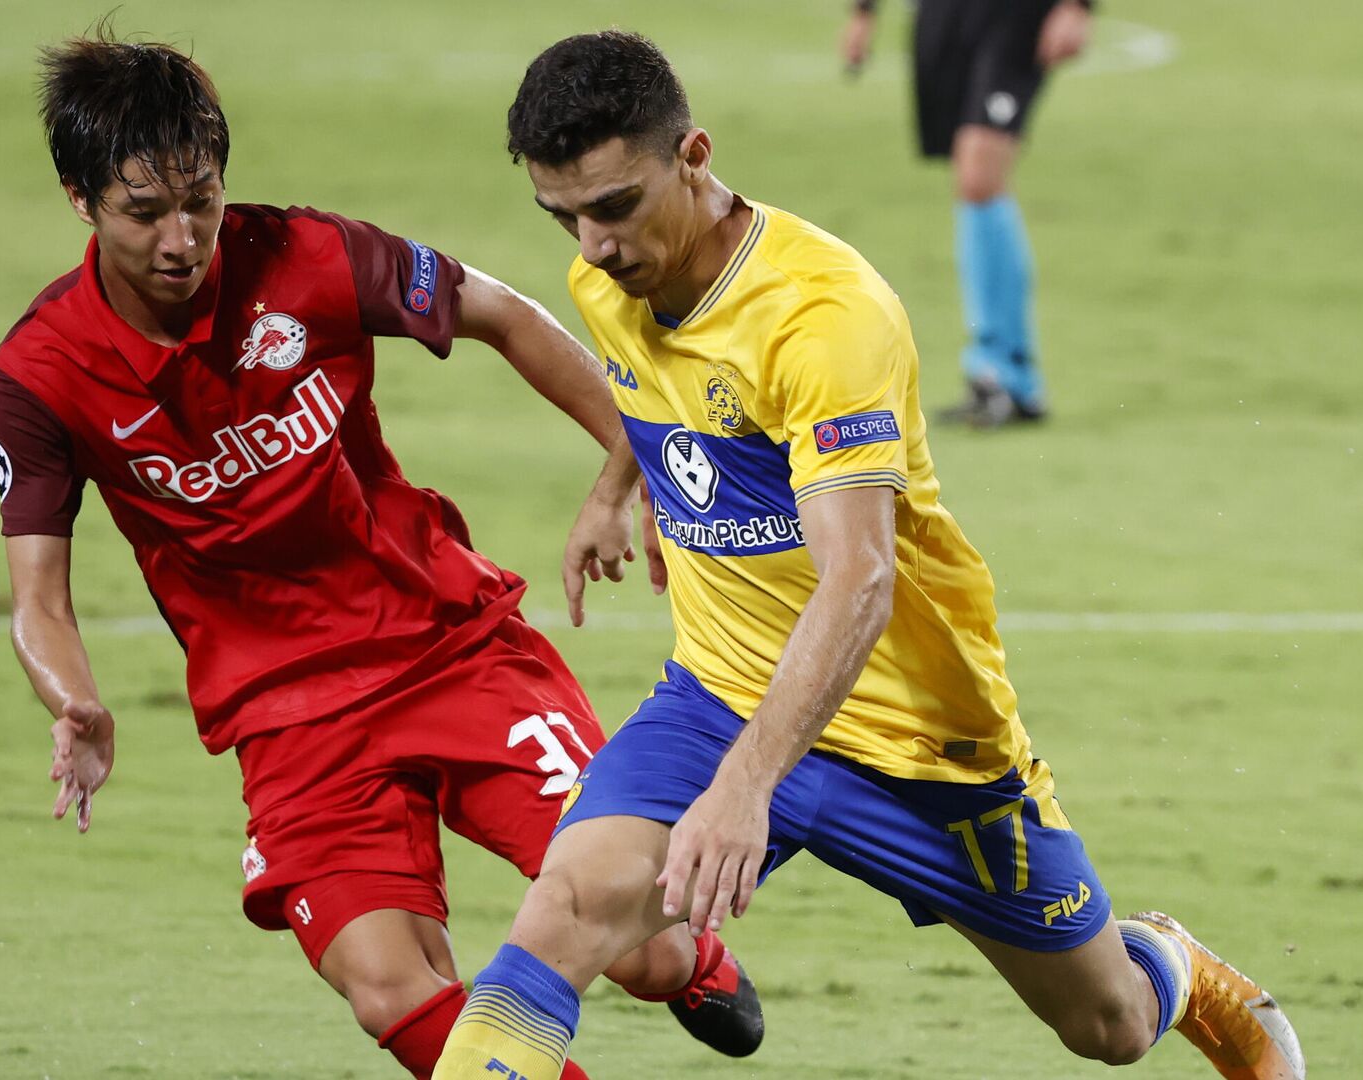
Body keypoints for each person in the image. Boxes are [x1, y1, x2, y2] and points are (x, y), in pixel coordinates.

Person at [433, 31, 1303, 1080]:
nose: (591, 247)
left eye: (614, 206)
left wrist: (748, 783)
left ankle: (1176, 962)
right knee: (559, 918)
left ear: (694, 155)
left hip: (917, 741)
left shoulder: (822, 316)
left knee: (1106, 1026)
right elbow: (647, 390)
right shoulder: (610, 279)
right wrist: (618, 488)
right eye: (561, 216)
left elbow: (861, 579)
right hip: (719, 697)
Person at [0, 33, 762, 1080]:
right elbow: (40, 597)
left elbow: (505, 315)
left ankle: (690, 958)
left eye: (201, 199)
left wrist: (643, 471)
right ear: (80, 200)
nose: (183, 238)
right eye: (144, 211)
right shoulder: (41, 374)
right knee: (391, 988)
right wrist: (71, 698)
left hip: (448, 645)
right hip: (286, 715)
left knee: (645, 947)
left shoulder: (310, 258)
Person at [841, 0, 1095, 426]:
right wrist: (864, 12)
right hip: (944, 15)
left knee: (980, 175)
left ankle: (1010, 375)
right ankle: (992, 373)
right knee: (967, 177)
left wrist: (1078, 5)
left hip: (1015, 17)